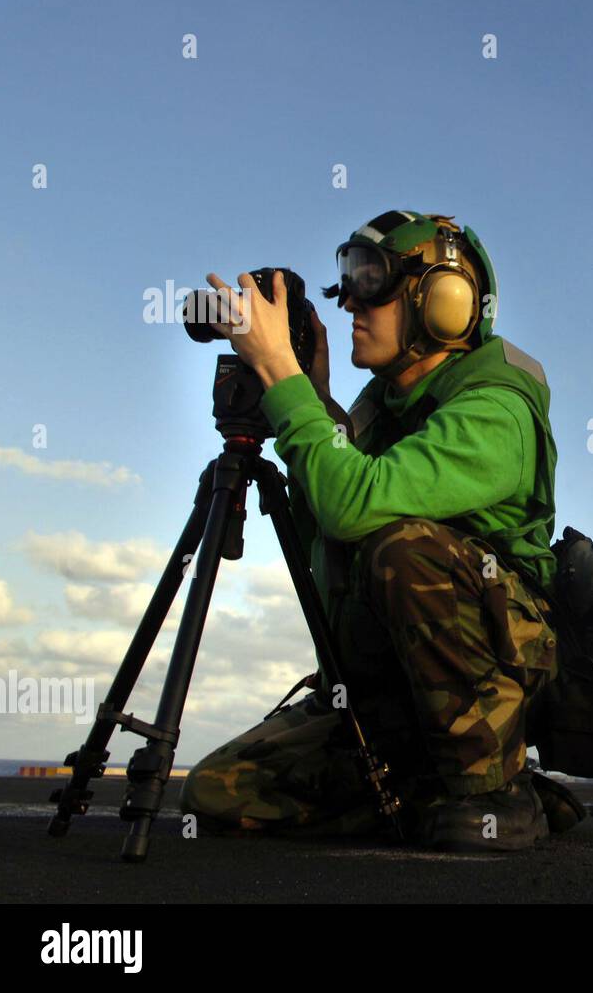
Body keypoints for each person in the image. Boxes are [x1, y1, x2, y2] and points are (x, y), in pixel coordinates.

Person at [180, 211, 560, 851]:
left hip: (505, 663)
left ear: (443, 302)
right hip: (389, 690)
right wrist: (318, 397)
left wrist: (281, 372)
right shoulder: (377, 412)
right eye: (347, 280)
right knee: (216, 793)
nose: (350, 300)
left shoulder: (497, 406)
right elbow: (322, 542)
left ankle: (496, 790)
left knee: (403, 548)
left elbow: (356, 507)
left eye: (372, 281)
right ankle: (418, 786)